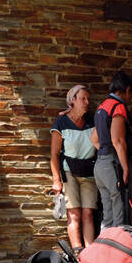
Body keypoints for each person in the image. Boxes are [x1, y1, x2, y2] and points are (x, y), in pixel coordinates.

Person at [50, 84, 98, 253]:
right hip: (68, 171)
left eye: (88, 99)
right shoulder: (61, 122)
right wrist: (56, 180)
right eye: (83, 98)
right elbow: (54, 154)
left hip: (88, 171)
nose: (86, 102)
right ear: (73, 101)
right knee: (74, 214)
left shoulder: (92, 121)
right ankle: (78, 252)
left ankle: (90, 253)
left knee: (88, 213)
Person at [93, 70, 132, 231]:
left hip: (100, 165)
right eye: (131, 93)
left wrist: (104, 153)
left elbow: (94, 138)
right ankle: (120, 251)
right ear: (127, 89)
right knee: (120, 209)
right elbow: (118, 140)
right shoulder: (118, 107)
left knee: (107, 214)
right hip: (113, 164)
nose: (131, 97)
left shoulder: (102, 106)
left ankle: (103, 249)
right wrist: (125, 168)